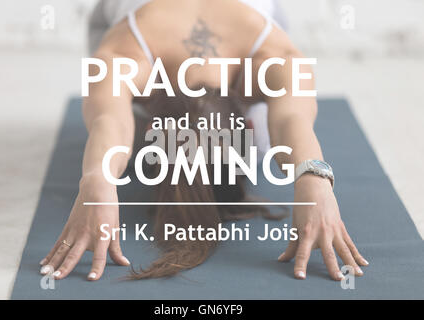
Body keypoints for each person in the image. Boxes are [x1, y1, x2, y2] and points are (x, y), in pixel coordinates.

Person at [39, 0, 368, 282]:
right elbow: (109, 120)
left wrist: (314, 179)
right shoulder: (124, 48)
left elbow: (289, 120)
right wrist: (98, 178)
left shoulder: (271, 52)